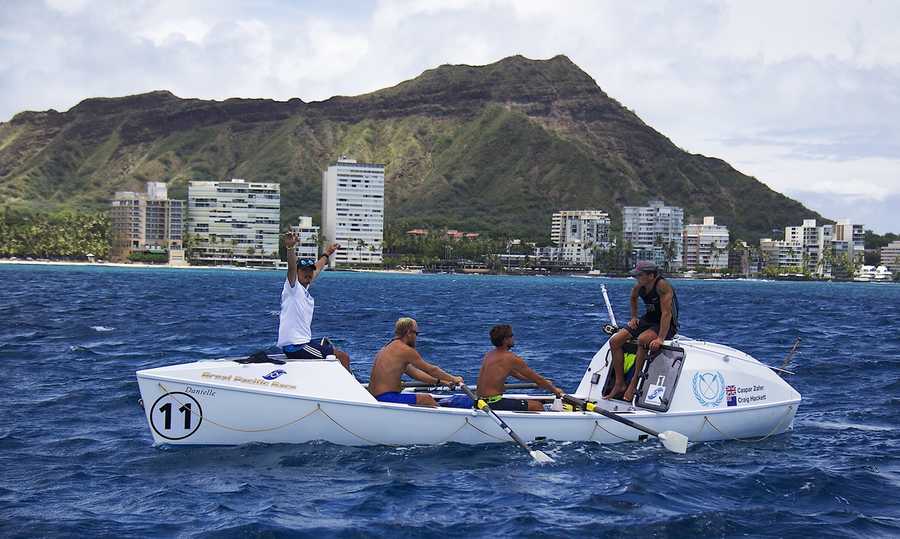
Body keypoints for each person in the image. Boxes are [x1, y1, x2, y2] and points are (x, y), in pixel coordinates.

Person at [604, 260, 679, 402]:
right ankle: (620, 383)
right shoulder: (639, 286)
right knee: (615, 341)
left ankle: (633, 383)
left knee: (643, 339)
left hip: (666, 324)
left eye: (639, 275)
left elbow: (667, 314)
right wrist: (633, 317)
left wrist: (660, 338)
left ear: (651, 275)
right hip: (648, 319)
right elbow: (633, 299)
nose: (636, 278)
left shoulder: (662, 286)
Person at [277, 231, 351, 370]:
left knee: (326, 344)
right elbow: (292, 267)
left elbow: (317, 268)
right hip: (296, 347)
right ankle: (348, 388)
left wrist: (327, 253)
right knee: (343, 357)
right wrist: (290, 248)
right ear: (297, 273)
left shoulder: (304, 288)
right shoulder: (293, 288)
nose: (308, 273)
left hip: (301, 344)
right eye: (304, 270)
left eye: (310, 271)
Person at [368, 317, 464, 406]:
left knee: (427, 398)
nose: (416, 337)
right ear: (409, 333)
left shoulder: (388, 348)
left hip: (375, 397)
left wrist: (441, 381)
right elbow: (431, 370)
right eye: (416, 333)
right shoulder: (405, 350)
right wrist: (454, 379)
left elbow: (416, 374)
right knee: (426, 399)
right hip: (385, 398)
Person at [475, 324, 564, 411]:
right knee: (537, 406)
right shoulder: (510, 357)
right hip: (493, 403)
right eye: (511, 336)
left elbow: (517, 375)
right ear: (505, 340)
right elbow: (537, 379)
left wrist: (542, 382)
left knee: (532, 403)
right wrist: (555, 390)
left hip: (479, 401)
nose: (513, 338)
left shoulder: (489, 354)